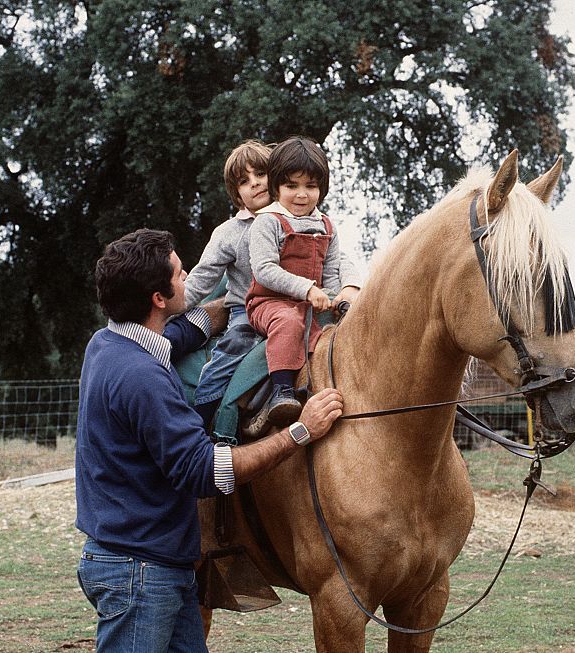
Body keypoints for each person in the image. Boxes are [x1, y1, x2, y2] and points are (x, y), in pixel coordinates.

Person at [75, 228, 344, 653]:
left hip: (147, 562)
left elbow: (168, 339)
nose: (191, 281)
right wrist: (299, 433)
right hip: (141, 573)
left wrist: (222, 312)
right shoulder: (142, 378)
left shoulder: (106, 344)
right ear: (158, 299)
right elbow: (207, 471)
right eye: (182, 275)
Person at [183, 139, 361, 435]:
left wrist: (351, 286)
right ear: (236, 192)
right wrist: (170, 309)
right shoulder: (231, 233)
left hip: (306, 302)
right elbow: (202, 278)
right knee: (227, 361)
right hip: (248, 309)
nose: (255, 184)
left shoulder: (312, 221)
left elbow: (338, 259)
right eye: (244, 181)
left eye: (261, 174)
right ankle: (204, 423)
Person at [246, 136, 350, 428]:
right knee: (289, 322)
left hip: (311, 303)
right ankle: (282, 390)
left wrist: (336, 297)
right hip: (269, 303)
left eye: (311, 186)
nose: (302, 194)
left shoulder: (327, 226)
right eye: (292, 186)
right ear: (276, 187)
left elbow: (330, 274)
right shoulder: (268, 222)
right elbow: (265, 269)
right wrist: (306, 289)